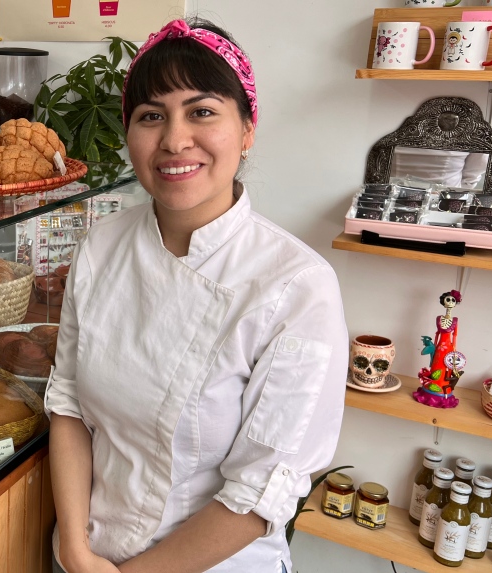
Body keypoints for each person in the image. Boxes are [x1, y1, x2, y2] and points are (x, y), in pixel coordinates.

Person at [45, 17, 349, 573]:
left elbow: (260, 492)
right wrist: (74, 547)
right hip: (88, 553)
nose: (174, 139)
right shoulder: (101, 247)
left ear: (248, 129)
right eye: (150, 116)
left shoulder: (297, 288)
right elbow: (67, 405)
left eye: (202, 111)